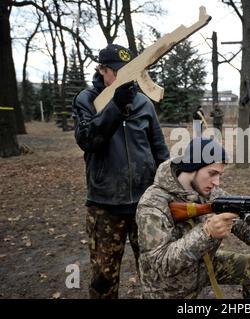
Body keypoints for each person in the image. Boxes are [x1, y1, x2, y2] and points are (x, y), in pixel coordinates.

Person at [72, 43, 170, 298]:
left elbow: (159, 150)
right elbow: (87, 140)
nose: (123, 75)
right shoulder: (87, 99)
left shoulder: (143, 103)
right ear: (102, 69)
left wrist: (170, 189)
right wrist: (115, 106)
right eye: (116, 70)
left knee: (154, 272)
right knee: (104, 278)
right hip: (105, 206)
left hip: (144, 205)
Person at [136, 137, 250, 298]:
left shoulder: (211, 192)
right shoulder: (152, 204)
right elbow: (160, 265)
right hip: (167, 290)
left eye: (220, 174)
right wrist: (206, 232)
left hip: (202, 268)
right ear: (192, 167)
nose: (217, 182)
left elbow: (242, 227)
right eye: (212, 173)